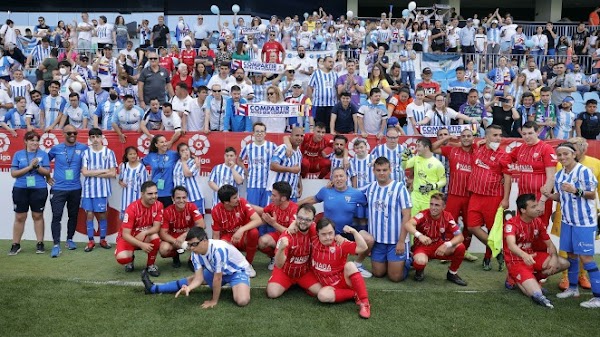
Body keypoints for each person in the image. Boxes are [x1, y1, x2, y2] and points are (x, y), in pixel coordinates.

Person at [542, 142, 600, 308]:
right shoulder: (560, 175)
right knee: (571, 255)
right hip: (567, 221)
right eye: (559, 155)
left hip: (584, 223)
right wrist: (549, 195)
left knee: (586, 258)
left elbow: (591, 195)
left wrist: (576, 190)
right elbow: (562, 197)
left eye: (565, 154)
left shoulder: (584, 171)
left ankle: (598, 297)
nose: (562, 157)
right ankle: (573, 289)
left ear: (574, 154)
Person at [141, 227, 252, 308]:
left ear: (204, 241)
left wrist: (213, 301)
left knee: (242, 301)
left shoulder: (218, 249)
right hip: (216, 271)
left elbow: (217, 279)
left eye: (194, 244)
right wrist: (189, 288)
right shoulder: (195, 253)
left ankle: (240, 283)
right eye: (189, 245)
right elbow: (198, 278)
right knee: (191, 280)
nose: (191, 248)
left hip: (236, 272)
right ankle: (152, 288)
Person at [299, 167, 373, 277]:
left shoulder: (356, 193)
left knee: (369, 239)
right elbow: (312, 199)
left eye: (341, 176)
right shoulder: (326, 191)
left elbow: (368, 204)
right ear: (332, 179)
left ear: (346, 177)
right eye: (336, 176)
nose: (339, 179)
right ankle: (308, 264)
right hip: (329, 233)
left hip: (347, 231)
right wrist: (294, 205)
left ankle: (357, 264)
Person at [504, 193, 569, 309]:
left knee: (564, 263)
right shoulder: (511, 224)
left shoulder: (537, 222)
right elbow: (511, 245)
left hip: (532, 257)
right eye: (533, 207)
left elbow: (549, 243)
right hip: (516, 261)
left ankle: (531, 279)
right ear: (523, 210)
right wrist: (524, 255)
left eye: (537, 205)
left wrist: (554, 257)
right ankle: (514, 278)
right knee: (537, 294)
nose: (538, 209)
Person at [467, 125, 512, 271]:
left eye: (500, 135)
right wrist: (477, 142)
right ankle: (498, 251)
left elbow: (508, 178)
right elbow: (467, 141)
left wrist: (506, 199)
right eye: (495, 135)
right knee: (472, 226)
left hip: (493, 197)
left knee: (493, 230)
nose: (498, 138)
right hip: (475, 195)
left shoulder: (504, 155)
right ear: (486, 137)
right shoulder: (477, 149)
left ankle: (487, 258)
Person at [311, 218, 371, 319]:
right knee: (322, 296)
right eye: (323, 234)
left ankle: (364, 302)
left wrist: (354, 232)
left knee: (350, 265)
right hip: (329, 287)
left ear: (335, 232)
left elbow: (363, 248)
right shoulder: (313, 241)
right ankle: (354, 294)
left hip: (344, 281)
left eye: (330, 233)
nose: (328, 237)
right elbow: (305, 220)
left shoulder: (340, 243)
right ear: (317, 233)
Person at [364, 156, 412, 282]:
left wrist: (401, 241)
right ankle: (390, 262)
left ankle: (408, 260)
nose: (381, 173)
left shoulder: (399, 187)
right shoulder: (370, 188)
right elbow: (351, 192)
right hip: (378, 241)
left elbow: (407, 215)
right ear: (373, 171)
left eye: (384, 170)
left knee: (395, 277)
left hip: (396, 241)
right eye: (378, 170)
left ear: (390, 170)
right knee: (378, 273)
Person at [404, 193, 468, 286]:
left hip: (438, 246)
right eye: (431, 204)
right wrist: (419, 235)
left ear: (443, 207)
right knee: (420, 262)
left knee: (460, 247)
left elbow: (460, 237)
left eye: (437, 205)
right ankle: (419, 270)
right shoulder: (423, 214)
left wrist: (447, 244)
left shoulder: (447, 216)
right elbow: (408, 224)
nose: (433, 207)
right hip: (422, 247)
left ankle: (452, 273)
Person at [47, 125, 88, 257]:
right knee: (57, 216)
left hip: (75, 188)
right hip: (58, 189)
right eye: (69, 133)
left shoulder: (83, 148)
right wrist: (47, 176)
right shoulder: (56, 148)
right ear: (63, 134)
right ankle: (56, 244)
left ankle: (69, 239)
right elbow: (44, 162)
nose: (72, 135)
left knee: (73, 215)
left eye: (75, 133)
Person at [8, 131, 50, 256]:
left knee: (38, 216)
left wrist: (37, 167)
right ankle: (16, 244)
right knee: (20, 217)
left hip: (39, 188)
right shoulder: (18, 154)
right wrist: (29, 167)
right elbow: (14, 173)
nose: (35, 143)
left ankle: (40, 243)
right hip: (20, 188)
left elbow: (47, 172)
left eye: (37, 140)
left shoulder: (43, 154)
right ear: (26, 141)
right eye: (32, 140)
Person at [267, 203, 321, 298]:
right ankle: (289, 283)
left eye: (307, 220)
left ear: (313, 220)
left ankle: (301, 284)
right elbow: (279, 264)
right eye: (300, 218)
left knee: (320, 292)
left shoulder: (314, 230)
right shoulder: (287, 235)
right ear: (296, 217)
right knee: (272, 293)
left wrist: (338, 237)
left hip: (304, 273)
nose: (303, 222)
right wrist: (281, 249)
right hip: (285, 272)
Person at [508, 122, 556, 227]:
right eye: (524, 134)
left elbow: (551, 177)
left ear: (538, 132)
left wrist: (542, 201)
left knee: (539, 230)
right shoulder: (520, 148)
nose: (527, 136)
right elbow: (504, 160)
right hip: (523, 198)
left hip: (539, 198)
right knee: (521, 230)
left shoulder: (546, 149)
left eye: (530, 133)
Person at [211, 184, 261, 277]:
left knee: (254, 232)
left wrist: (241, 230)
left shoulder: (242, 202)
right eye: (234, 198)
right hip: (228, 238)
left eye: (237, 196)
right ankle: (227, 265)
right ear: (226, 202)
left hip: (243, 235)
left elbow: (258, 220)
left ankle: (248, 264)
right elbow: (216, 236)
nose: (238, 199)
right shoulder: (216, 211)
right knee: (221, 244)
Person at [81, 128, 117, 253]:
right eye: (92, 137)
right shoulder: (86, 153)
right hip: (88, 191)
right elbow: (85, 172)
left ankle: (102, 239)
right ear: (90, 139)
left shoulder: (109, 153)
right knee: (89, 214)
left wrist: (93, 173)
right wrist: (103, 170)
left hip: (102, 190)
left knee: (102, 215)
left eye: (97, 136)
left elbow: (113, 173)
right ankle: (91, 241)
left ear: (102, 138)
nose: (95, 139)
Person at [115, 181, 163, 276]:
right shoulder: (132, 208)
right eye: (150, 194)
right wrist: (141, 245)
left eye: (155, 193)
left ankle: (150, 265)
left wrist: (145, 232)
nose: (154, 196)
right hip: (129, 238)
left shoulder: (159, 205)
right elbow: (125, 234)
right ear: (142, 194)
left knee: (155, 237)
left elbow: (156, 227)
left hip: (143, 235)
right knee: (122, 258)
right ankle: (130, 259)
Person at [254, 181, 298, 270]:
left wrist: (273, 224)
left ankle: (288, 260)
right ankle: (275, 257)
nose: (271, 198)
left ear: (283, 198)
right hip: (279, 236)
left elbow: (291, 233)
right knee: (262, 242)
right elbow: (263, 211)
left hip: (291, 240)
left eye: (274, 195)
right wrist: (246, 205)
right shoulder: (274, 205)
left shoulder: (294, 209)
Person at [159, 186, 205, 269]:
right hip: (173, 239)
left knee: (202, 240)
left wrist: (184, 235)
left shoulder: (192, 207)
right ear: (172, 199)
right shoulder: (167, 211)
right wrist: (176, 241)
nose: (181, 201)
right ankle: (175, 256)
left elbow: (202, 225)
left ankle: (192, 260)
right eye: (178, 198)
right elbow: (162, 233)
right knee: (163, 250)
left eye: (184, 197)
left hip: (189, 237)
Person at [238, 122, 278, 208]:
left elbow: (279, 160)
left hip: (268, 185)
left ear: (265, 133)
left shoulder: (272, 146)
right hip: (253, 185)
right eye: (257, 131)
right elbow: (239, 160)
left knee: (266, 211)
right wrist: (245, 170)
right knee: (252, 211)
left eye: (262, 131)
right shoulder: (248, 147)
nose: (259, 133)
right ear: (253, 133)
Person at [402, 137, 446, 215]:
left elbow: (443, 181)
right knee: (412, 223)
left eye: (419, 146)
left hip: (430, 200)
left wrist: (433, 186)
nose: (416, 148)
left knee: (426, 225)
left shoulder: (437, 163)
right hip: (415, 197)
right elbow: (403, 167)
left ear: (426, 147)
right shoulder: (416, 159)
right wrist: (404, 157)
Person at [267, 127, 304, 205]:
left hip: (292, 194)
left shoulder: (299, 153)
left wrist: (299, 185)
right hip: (278, 194)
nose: (299, 138)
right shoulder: (282, 148)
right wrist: (291, 169)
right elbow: (273, 166)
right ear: (290, 136)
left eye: (301, 136)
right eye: (297, 135)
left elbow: (297, 171)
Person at [142, 135, 179, 207]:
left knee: (167, 215)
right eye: (162, 142)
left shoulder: (173, 154)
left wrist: (195, 159)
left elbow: (186, 156)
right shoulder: (151, 156)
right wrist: (124, 165)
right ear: (156, 145)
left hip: (169, 191)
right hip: (155, 192)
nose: (165, 144)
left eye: (165, 141)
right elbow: (138, 164)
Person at [307, 56, 338, 133]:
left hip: (332, 105)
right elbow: (310, 87)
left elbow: (337, 88)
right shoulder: (316, 73)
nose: (332, 64)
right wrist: (310, 100)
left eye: (333, 62)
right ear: (324, 62)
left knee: (329, 126)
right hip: (319, 104)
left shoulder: (335, 74)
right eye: (329, 62)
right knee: (319, 126)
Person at [173, 143, 205, 214]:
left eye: (187, 150)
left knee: (198, 223)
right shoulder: (177, 163)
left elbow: (187, 174)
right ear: (179, 153)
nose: (185, 152)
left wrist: (184, 161)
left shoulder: (194, 162)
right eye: (182, 150)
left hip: (194, 198)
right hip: (180, 199)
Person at [118, 146, 148, 218]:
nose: (133, 156)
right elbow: (120, 180)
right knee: (125, 221)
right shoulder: (124, 166)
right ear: (127, 156)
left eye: (134, 154)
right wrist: (121, 183)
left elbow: (145, 185)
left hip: (137, 199)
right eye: (130, 154)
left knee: (137, 219)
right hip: (126, 199)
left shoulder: (141, 167)